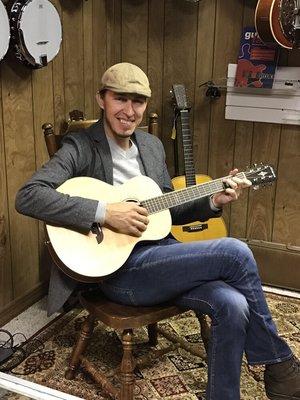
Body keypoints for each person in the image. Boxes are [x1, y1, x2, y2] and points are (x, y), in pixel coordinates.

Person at [15, 62, 299, 400]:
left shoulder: (151, 146)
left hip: (163, 259)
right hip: (118, 272)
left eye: (138, 101)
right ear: (101, 98)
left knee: (234, 304)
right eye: (120, 99)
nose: (129, 111)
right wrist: (105, 213)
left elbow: (168, 211)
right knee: (235, 252)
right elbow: (28, 196)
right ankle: (280, 363)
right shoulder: (80, 146)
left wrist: (213, 201)